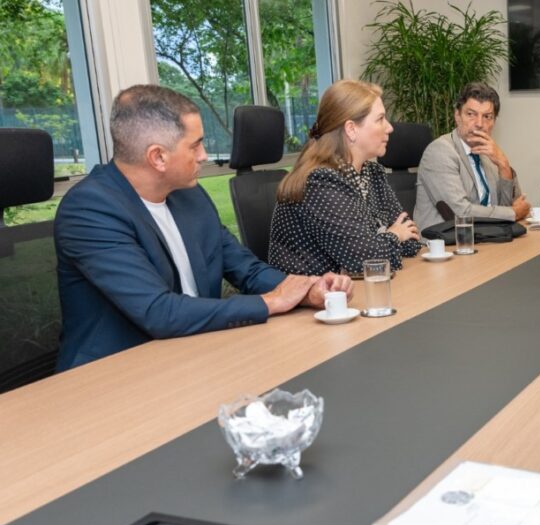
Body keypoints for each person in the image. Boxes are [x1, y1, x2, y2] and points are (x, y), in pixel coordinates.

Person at [54, 85, 351, 371]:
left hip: (194, 355)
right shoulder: (90, 209)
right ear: (158, 156)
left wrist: (308, 290)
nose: (204, 156)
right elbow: (159, 312)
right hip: (115, 375)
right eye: (195, 145)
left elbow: (246, 269)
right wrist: (271, 301)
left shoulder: (189, 195)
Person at [269, 80, 422, 274]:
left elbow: (411, 241)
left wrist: (389, 240)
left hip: (353, 290)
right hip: (316, 300)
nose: (390, 127)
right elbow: (365, 261)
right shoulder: (321, 181)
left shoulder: (372, 173)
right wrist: (393, 235)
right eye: (380, 119)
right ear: (351, 129)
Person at [414, 82, 530, 230]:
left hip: (484, 239)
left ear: (494, 122)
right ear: (457, 116)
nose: (479, 124)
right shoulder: (440, 151)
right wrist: (513, 213)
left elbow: (511, 206)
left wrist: (504, 165)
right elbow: (461, 213)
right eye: (471, 114)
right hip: (444, 245)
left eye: (487, 116)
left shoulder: (489, 154)